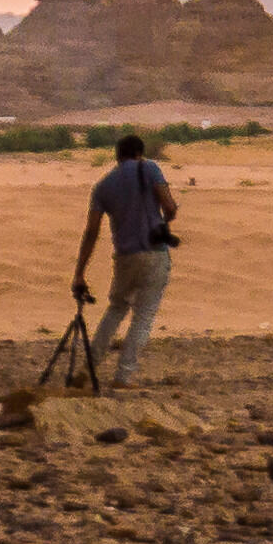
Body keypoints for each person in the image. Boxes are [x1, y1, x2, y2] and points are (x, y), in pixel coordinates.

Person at [72, 130, 176, 388]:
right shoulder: (150, 168)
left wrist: (79, 272)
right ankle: (123, 376)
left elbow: (91, 232)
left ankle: (88, 369)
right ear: (139, 153)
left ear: (117, 157)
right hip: (154, 253)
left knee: (116, 309)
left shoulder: (103, 186)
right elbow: (170, 206)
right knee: (144, 315)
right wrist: (163, 221)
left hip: (124, 257)